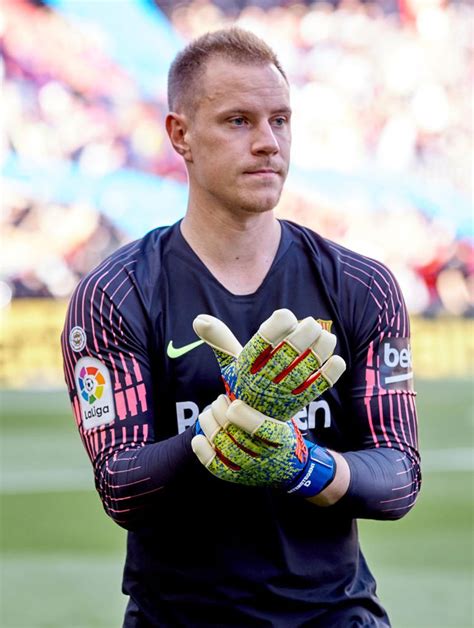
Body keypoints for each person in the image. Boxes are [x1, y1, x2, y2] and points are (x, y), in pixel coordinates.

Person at [61, 27, 421, 628]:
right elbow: (122, 485)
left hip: (334, 616)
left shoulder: (362, 285)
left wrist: (304, 463)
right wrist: (229, 423)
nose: (268, 143)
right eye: (238, 121)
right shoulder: (116, 293)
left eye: (280, 120)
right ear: (180, 135)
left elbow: (399, 476)